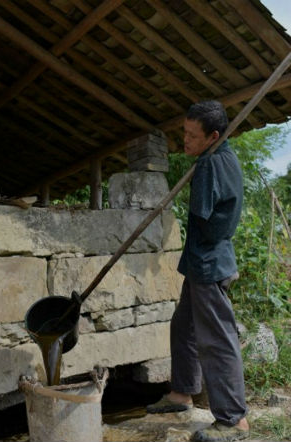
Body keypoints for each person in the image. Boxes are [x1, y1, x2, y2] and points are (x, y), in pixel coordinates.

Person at [146, 101, 249, 442]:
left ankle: (234, 420)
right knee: (184, 326)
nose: (185, 141)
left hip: (208, 263)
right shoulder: (223, 157)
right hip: (203, 260)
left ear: (213, 136)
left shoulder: (210, 165)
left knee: (217, 340)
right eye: (184, 132)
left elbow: (204, 221)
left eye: (192, 136)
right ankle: (182, 393)